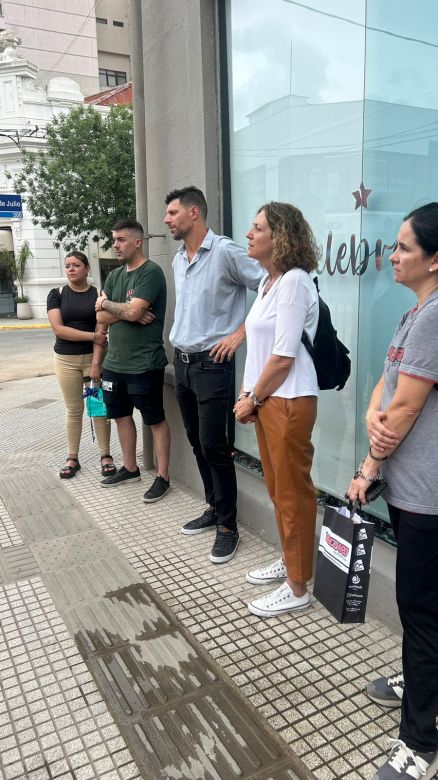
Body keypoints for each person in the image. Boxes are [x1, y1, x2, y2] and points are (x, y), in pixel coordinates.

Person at [347, 203, 438, 780]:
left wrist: (367, 469)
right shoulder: (416, 313)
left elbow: (404, 406)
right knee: (424, 610)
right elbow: (385, 390)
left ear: (435, 259)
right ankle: (424, 677)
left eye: (405, 247)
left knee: (421, 611)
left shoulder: (434, 316)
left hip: (426, 493)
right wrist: (372, 419)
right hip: (409, 488)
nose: (393, 255)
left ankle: (420, 742)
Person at [164, 186, 263, 563]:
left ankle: (228, 527)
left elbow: (270, 284)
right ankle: (213, 507)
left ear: (194, 213)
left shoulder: (224, 252)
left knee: (214, 445)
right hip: (184, 363)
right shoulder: (178, 258)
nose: (167, 219)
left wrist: (241, 333)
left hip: (211, 364)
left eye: (173, 213)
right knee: (196, 440)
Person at [234, 202, 319, 617]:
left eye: (257, 227)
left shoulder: (295, 282)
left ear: (279, 236)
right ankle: (291, 563)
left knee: (292, 494)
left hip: (287, 399)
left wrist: (251, 398)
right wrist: (251, 396)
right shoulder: (270, 284)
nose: (249, 234)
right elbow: (263, 352)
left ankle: (298, 587)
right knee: (278, 490)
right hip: (269, 400)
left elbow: (284, 357)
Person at [94, 218, 171, 503]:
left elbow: (130, 312)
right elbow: (101, 317)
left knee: (155, 419)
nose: (115, 244)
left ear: (137, 242)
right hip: (114, 363)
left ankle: (162, 477)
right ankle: (130, 467)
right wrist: (125, 310)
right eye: (113, 239)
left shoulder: (151, 272)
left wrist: (110, 305)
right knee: (121, 416)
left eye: (121, 239)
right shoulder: (114, 277)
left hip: (145, 363)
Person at [47, 250, 115, 479]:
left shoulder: (98, 294)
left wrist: (96, 362)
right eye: (67, 266)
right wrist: (91, 337)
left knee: (98, 407)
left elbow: (101, 330)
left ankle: (106, 455)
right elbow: (59, 329)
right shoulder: (56, 294)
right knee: (74, 410)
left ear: (87, 268)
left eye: (76, 265)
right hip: (65, 360)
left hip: (94, 359)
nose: (71, 269)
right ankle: (72, 457)